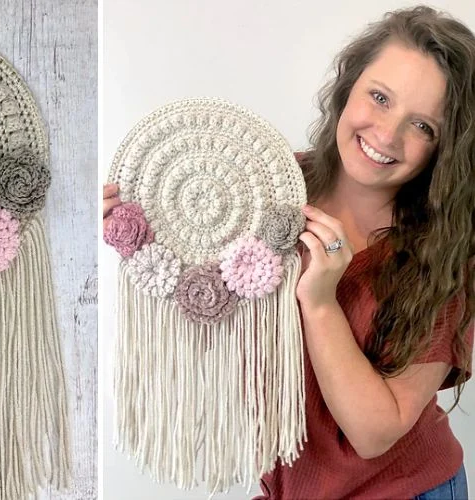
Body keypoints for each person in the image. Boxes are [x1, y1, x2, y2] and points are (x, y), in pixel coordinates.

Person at [103, 6, 475, 499]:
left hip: (404, 489)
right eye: (380, 97)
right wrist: (144, 230)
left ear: (444, 148)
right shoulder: (260, 190)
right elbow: (203, 306)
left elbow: (375, 433)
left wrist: (319, 303)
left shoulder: (445, 253)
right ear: (349, 85)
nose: (387, 135)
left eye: (423, 126)